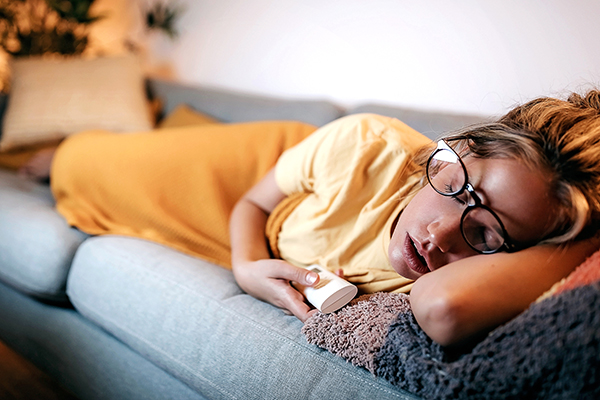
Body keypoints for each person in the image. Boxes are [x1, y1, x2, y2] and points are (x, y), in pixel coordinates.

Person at [22, 89, 600, 347]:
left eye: (486, 234)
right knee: (85, 162)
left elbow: (447, 311)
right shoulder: (365, 143)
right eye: (455, 187)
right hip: (261, 175)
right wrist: (247, 267)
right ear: (453, 149)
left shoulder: (465, 276)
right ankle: (62, 150)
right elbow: (251, 200)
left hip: (281, 219)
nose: (439, 234)